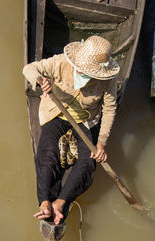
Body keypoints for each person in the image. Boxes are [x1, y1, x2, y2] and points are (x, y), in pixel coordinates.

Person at [23, 35, 120, 225]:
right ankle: (44, 202)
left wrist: (101, 142)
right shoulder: (60, 62)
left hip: (86, 121)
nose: (80, 71)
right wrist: (41, 79)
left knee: (88, 162)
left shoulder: (107, 80)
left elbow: (109, 109)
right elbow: (29, 68)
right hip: (55, 113)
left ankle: (60, 203)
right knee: (48, 152)